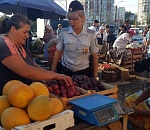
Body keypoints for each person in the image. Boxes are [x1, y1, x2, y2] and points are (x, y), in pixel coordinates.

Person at [0, 14, 72, 95]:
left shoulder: (19, 45)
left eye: (28, 32)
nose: (27, 36)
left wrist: (47, 76)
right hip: (10, 98)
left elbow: (32, 64)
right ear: (13, 29)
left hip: (23, 94)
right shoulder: (4, 45)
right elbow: (26, 71)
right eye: (24, 32)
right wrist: (55, 75)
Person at [52, 0, 99, 77]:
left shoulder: (91, 34)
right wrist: (53, 73)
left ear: (82, 18)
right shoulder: (64, 32)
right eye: (69, 19)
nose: (71, 22)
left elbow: (95, 56)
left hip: (83, 74)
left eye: (74, 19)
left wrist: (96, 76)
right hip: (66, 72)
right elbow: (57, 54)